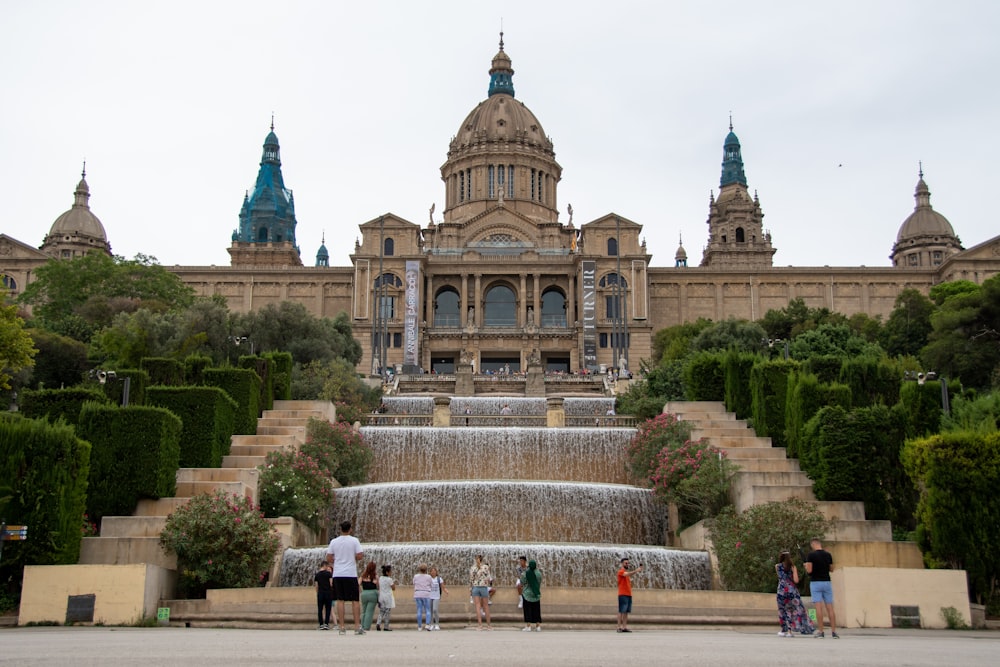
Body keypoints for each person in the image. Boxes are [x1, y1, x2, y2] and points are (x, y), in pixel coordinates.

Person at [326, 520, 365, 635]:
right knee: (355, 601)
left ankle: (342, 626)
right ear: (350, 529)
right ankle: (357, 626)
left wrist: (337, 561)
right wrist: (352, 559)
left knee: (340, 601)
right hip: (351, 573)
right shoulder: (354, 540)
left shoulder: (334, 541)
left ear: (340, 529)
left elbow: (328, 557)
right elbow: (360, 555)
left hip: (338, 574)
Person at [805, 538, 839, 639]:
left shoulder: (811, 555)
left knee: (818, 607)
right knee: (830, 607)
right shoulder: (828, 555)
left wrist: (806, 567)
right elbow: (831, 569)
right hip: (827, 581)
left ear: (813, 545)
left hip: (816, 582)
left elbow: (809, 571)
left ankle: (821, 631)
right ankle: (834, 632)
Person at [775, 551, 814, 636]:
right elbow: (796, 580)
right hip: (792, 590)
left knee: (782, 610)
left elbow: (780, 578)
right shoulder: (793, 567)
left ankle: (783, 630)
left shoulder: (777, 566)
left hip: (781, 590)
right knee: (793, 610)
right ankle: (791, 631)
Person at [617, 557, 642, 632]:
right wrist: (636, 570)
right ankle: (619, 627)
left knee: (626, 612)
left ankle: (624, 627)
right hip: (622, 594)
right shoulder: (621, 572)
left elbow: (628, 574)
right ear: (622, 564)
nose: (627, 564)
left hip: (628, 594)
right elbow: (627, 574)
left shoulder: (626, 574)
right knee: (621, 611)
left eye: (628, 563)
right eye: (625, 563)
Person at [469, 554, 493, 630]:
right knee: (486, 606)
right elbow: (489, 578)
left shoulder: (473, 568)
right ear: (482, 560)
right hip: (483, 588)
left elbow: (471, 580)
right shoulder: (486, 567)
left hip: (475, 588)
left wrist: (470, 589)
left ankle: (480, 625)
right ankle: (489, 625)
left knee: (477, 606)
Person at [520, 559, 542, 632]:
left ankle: (528, 626)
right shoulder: (538, 573)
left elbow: (522, 582)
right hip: (536, 594)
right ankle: (538, 626)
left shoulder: (525, 573)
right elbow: (539, 582)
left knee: (527, 610)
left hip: (527, 594)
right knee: (536, 610)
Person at [359, 561, 379, 632]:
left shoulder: (363, 575)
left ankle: (362, 625)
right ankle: (366, 627)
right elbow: (378, 586)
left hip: (364, 593)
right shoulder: (375, 576)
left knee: (363, 611)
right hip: (372, 593)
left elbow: (358, 584)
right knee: (369, 611)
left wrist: (361, 591)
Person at [413, 563, 434, 631]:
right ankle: (427, 625)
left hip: (418, 594)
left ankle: (419, 626)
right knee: (428, 610)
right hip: (426, 594)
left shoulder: (416, 576)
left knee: (419, 610)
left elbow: (414, 583)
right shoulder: (429, 577)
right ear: (426, 570)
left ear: (419, 569)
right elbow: (432, 585)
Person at [314, 560, 334, 630]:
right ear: (325, 565)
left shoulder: (317, 574)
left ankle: (321, 624)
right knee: (328, 609)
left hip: (320, 593)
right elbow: (331, 583)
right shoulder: (329, 574)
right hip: (328, 593)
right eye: (327, 566)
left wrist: (318, 592)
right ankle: (326, 624)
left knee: (320, 609)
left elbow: (316, 586)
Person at [376, 564, 396, 631]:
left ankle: (378, 623)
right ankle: (386, 627)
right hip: (388, 597)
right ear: (387, 572)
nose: (391, 573)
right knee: (387, 612)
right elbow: (393, 588)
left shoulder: (380, 578)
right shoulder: (389, 579)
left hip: (381, 596)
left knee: (381, 611)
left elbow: (378, 586)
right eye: (390, 571)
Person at [429, 566, 448, 630]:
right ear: (430, 572)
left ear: (436, 572)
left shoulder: (439, 579)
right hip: (429, 596)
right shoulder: (429, 579)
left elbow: (443, 587)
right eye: (432, 571)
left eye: (434, 571)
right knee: (430, 611)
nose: (433, 572)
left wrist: (446, 591)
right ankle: (431, 624)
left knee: (435, 610)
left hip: (436, 596)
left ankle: (437, 624)